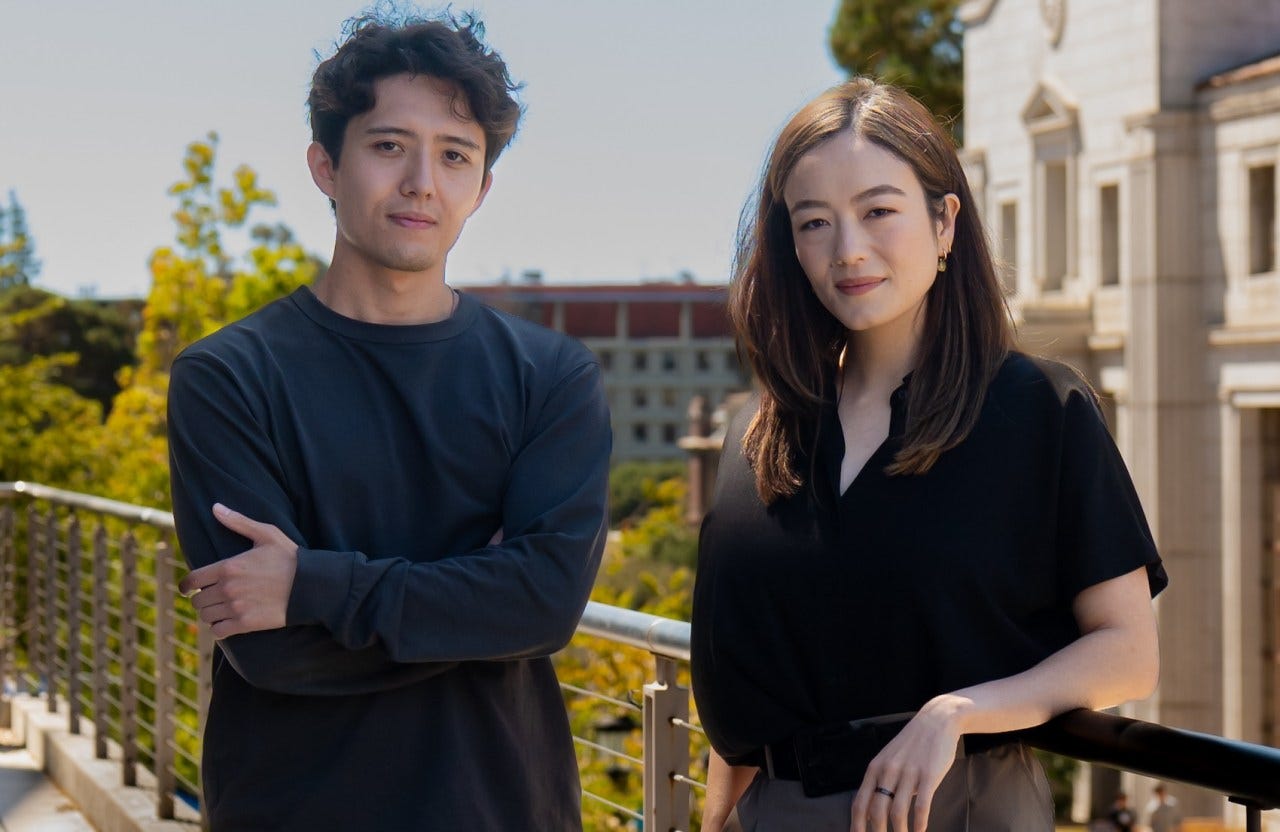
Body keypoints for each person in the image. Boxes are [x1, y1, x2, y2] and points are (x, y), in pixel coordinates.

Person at [168, 12, 610, 831]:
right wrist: (477, 603)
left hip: (500, 810)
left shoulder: (550, 377)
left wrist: (314, 585)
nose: (421, 183)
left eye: (454, 155)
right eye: (387, 145)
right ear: (325, 165)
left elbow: (545, 606)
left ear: (481, 187)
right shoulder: (227, 378)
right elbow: (268, 648)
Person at [690, 77, 1167, 832]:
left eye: (878, 210)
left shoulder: (1038, 408)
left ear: (945, 222)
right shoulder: (759, 431)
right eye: (813, 223)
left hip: (955, 807)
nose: (848, 250)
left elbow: (1128, 652)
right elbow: (748, 683)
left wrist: (957, 713)